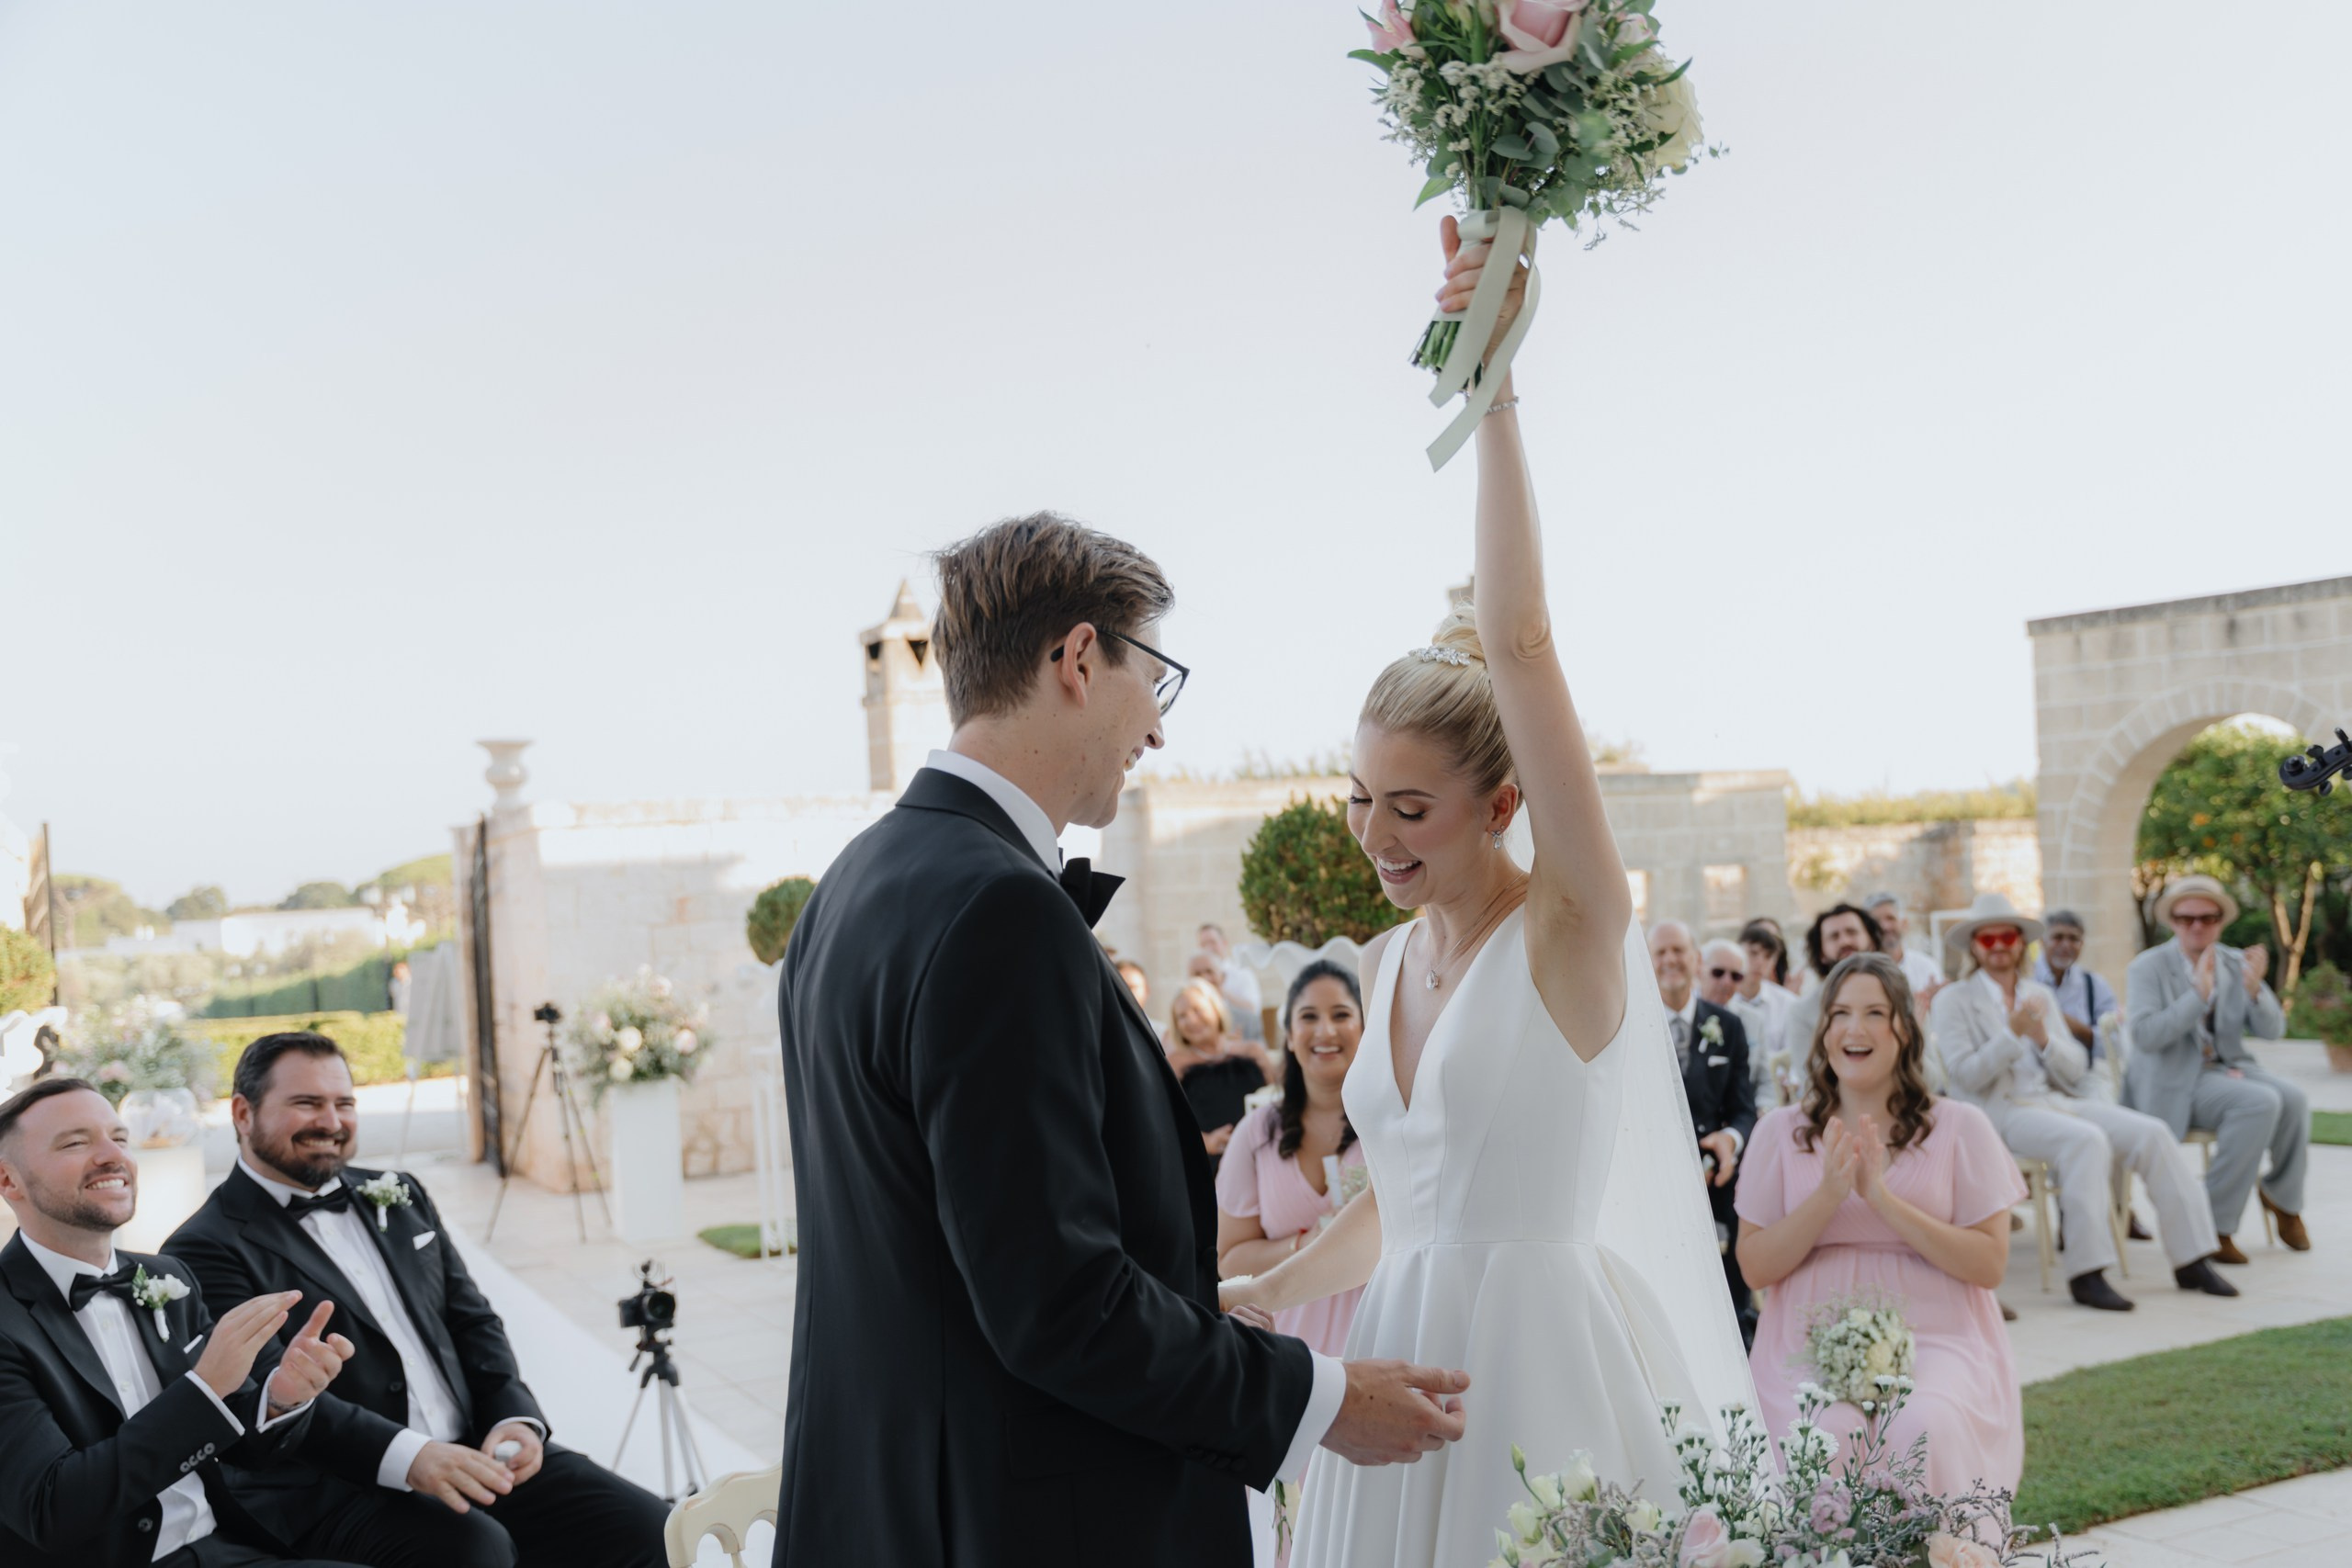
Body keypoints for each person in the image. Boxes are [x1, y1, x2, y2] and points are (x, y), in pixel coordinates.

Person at [773, 513, 1472, 1568]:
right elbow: (1056, 1300)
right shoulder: (996, 911)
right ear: (1080, 659)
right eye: (1157, 678)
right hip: (1022, 1520)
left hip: (885, 1504)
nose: (1157, 730)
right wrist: (1320, 1398)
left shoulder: (850, 887)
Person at [1219, 222, 1754, 1568]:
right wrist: (1276, 1285)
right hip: (1395, 1366)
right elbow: (1411, 1194)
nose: (1374, 836)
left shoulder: (1573, 923)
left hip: (1541, 1370)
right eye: (1359, 797)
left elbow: (1521, 642)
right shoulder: (1390, 960)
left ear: (1502, 804)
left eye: (1412, 808)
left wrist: (1494, 383)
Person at [163, 1033, 669, 1568]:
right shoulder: (203, 1246)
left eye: (344, 1103)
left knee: (648, 1525)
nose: (331, 1122)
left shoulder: (400, 1191)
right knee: (478, 1550)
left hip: (476, 1448)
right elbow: (264, 1399)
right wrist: (412, 1456)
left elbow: (472, 1320)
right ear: (243, 1114)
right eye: (307, 1103)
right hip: (342, 1486)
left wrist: (513, 1419)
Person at [0, 1077, 361, 1568]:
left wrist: (279, 1399)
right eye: (76, 1142)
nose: (113, 1156)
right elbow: (52, 1510)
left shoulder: (167, 1277)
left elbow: (242, 1447)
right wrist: (203, 1388)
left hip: (224, 1545)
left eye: (120, 1138)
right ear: (8, 1181)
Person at [1736, 954, 2026, 1498]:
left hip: (1937, 1338)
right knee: (1825, 1434)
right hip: (1807, 1342)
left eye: (1875, 1012)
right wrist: (1827, 1197)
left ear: (1905, 1029)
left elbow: (1990, 1265)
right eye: (1840, 1013)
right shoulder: (1779, 1133)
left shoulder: (1962, 1127)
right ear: (1823, 1031)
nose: (1854, 1028)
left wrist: (1882, 1200)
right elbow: (1755, 1266)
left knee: (1923, 1427)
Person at [1933, 893, 2235, 1308]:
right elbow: (1965, 1075)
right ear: (1974, 946)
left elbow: (2075, 1068)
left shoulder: (2039, 994)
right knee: (2086, 1141)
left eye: (2007, 936)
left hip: (2054, 1099)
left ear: (2021, 942)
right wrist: (2011, 1035)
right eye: (1988, 940)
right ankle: (2086, 1273)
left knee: (2152, 1132)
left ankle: (2192, 1258)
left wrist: (2042, 1039)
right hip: (1998, 1112)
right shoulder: (1954, 1000)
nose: (1999, 945)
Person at [2124, 874, 2312, 1261]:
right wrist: (2197, 996)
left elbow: (2273, 1031)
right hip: (2172, 1080)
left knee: (2293, 1098)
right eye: (2186, 918)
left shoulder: (2233, 961)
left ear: (2220, 921)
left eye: (2207, 918)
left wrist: (2256, 989)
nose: (2197, 925)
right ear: (2172, 921)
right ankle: (2213, 1226)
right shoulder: (2148, 967)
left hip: (2226, 1069)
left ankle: (2283, 1198)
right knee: (2259, 1102)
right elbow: (2144, 1035)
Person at [1215, 961, 1373, 1355]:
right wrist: (1308, 1243)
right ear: (1288, 1035)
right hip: (1286, 1352)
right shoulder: (1255, 1134)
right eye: (1308, 1017)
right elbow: (1229, 1260)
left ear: (1364, 1027)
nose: (1325, 1031)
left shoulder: (1389, 1125)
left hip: (1376, 1340)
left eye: (1341, 1015)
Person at [1650, 922, 1759, 1346]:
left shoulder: (1728, 1026)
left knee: (1729, 1290)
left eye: (1678, 950)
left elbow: (1744, 1106)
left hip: (1719, 1181)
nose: (1670, 960)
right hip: (1658, 1184)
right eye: (1659, 952)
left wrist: (1729, 1141)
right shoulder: (1628, 1022)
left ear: (1696, 959)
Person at [1166, 978, 1283, 1164]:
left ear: (1216, 1009)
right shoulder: (1176, 1064)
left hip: (1264, 1154)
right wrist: (1207, 1141)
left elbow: (1278, 1098)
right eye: (1182, 1016)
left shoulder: (1251, 1051)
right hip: (1210, 1162)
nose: (1191, 1020)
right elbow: (1168, 1122)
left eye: (1198, 1010)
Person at [2033, 910, 2114, 1067]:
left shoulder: (2095, 985)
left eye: (2073, 938)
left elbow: (2116, 1044)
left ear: (2082, 943)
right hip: (2035, 1080)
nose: (2066, 945)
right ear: (2042, 941)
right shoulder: (2024, 981)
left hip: (2083, 1081)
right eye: (2058, 937)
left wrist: (2080, 1029)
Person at [1731, 920, 1799, 1106]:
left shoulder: (1788, 1003)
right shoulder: (1723, 997)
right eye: (1753, 953)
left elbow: (1794, 1055)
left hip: (1777, 1094)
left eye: (1768, 956)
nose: (1760, 962)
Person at [1863, 892, 1946, 1012]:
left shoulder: (1927, 966)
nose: (1884, 926)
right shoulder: (1861, 969)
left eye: (1890, 918)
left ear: (1904, 924)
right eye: (1876, 921)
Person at [1197, 924, 1268, 1043]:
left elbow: (1253, 1009)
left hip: (1245, 1039)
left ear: (1224, 943)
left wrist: (1221, 992)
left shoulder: (1243, 974)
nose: (1208, 948)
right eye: (1204, 944)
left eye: (1212, 942)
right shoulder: (1197, 979)